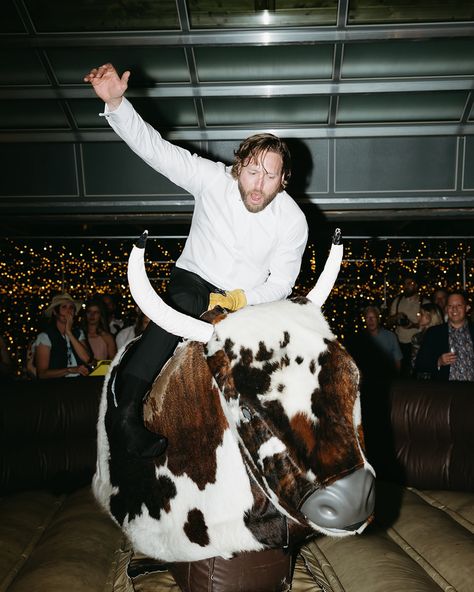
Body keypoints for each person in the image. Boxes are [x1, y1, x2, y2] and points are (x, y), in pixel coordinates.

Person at [84, 63, 308, 457]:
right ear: (238, 167)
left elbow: (281, 285)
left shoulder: (293, 220)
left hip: (246, 300)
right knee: (184, 306)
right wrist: (116, 103)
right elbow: (156, 149)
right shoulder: (210, 178)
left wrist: (238, 300)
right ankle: (125, 413)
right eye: (252, 171)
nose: (258, 185)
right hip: (194, 280)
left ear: (283, 180)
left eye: (269, 176)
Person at [415, 291, 474, 381]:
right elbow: (420, 364)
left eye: (459, 305)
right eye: (450, 306)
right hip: (445, 391)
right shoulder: (434, 333)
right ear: (446, 309)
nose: (454, 309)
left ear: (467, 308)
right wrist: (438, 361)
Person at [34, 293, 91, 379]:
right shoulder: (45, 337)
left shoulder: (78, 333)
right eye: (64, 307)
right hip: (57, 387)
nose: (68, 311)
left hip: (80, 384)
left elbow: (87, 359)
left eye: (71, 307)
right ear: (55, 312)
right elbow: (42, 374)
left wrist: (69, 332)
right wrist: (69, 370)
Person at [387, 274, 429, 376]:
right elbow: (388, 322)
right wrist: (396, 317)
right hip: (399, 343)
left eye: (410, 283)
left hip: (417, 344)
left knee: (415, 372)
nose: (406, 286)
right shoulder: (397, 301)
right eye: (405, 284)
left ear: (416, 285)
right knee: (400, 374)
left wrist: (413, 325)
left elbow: (430, 325)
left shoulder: (424, 302)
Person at [411, 302, 444, 375]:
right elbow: (415, 363)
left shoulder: (443, 334)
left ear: (431, 317)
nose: (418, 317)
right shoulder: (417, 337)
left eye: (421, 314)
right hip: (423, 377)